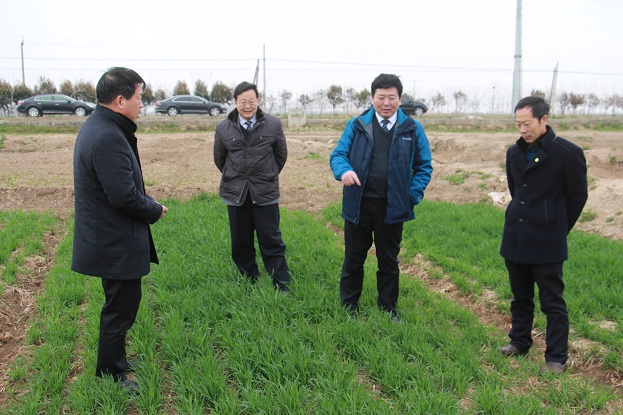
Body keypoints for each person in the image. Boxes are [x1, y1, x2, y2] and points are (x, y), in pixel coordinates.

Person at [72, 67, 168, 393]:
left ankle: (116, 361)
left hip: (108, 237)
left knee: (120, 305)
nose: (142, 104)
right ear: (119, 100)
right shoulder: (108, 136)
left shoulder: (100, 126)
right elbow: (123, 196)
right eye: (139, 97)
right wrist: (154, 209)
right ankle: (111, 375)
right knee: (120, 309)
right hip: (114, 241)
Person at [329, 73, 433, 322]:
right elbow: (338, 155)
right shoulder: (357, 125)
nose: (386, 103)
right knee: (354, 257)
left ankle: (388, 309)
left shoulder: (412, 128)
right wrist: (344, 171)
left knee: (388, 261)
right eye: (381, 97)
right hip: (359, 204)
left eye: (392, 97)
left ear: (400, 99)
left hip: (393, 208)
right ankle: (349, 306)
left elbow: (424, 166)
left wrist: (411, 195)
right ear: (372, 97)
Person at [499, 96, 588, 374]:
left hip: (547, 240)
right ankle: (519, 342)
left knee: (552, 302)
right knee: (520, 296)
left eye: (527, 124)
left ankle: (556, 357)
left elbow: (578, 197)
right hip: (516, 235)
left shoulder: (568, 153)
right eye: (518, 124)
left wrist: (557, 227)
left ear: (544, 120)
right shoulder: (514, 153)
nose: (522, 129)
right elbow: (516, 191)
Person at [213, 81, 290, 292]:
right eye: (242, 102)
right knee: (240, 239)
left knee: (271, 237)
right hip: (236, 192)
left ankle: (280, 281)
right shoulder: (223, 127)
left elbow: (281, 156)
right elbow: (220, 159)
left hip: (265, 191)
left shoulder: (273, 124)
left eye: (251, 101)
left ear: (258, 101)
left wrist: (266, 175)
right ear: (235, 102)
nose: (247, 106)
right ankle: (248, 278)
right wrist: (235, 177)